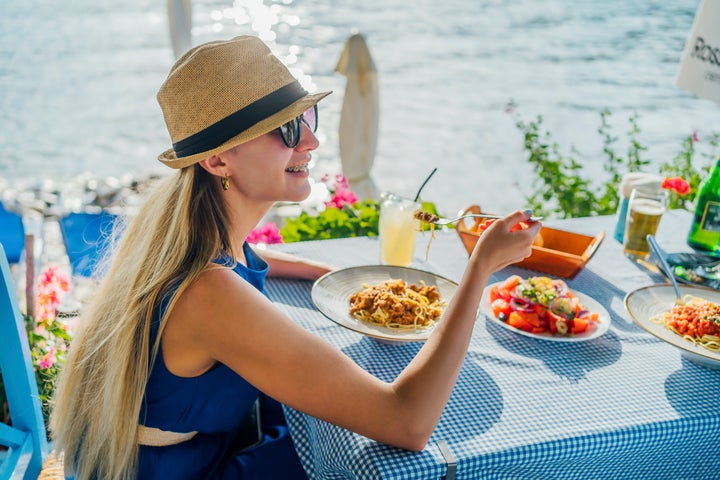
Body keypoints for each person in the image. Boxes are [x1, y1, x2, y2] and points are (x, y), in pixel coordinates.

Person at [50, 35, 542, 480]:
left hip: (177, 451)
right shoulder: (210, 292)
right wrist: (479, 268)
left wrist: (337, 276)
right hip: (180, 472)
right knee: (366, 462)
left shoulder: (196, 235)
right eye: (286, 130)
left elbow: (257, 256)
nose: (312, 141)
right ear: (217, 160)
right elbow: (406, 421)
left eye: (307, 118)